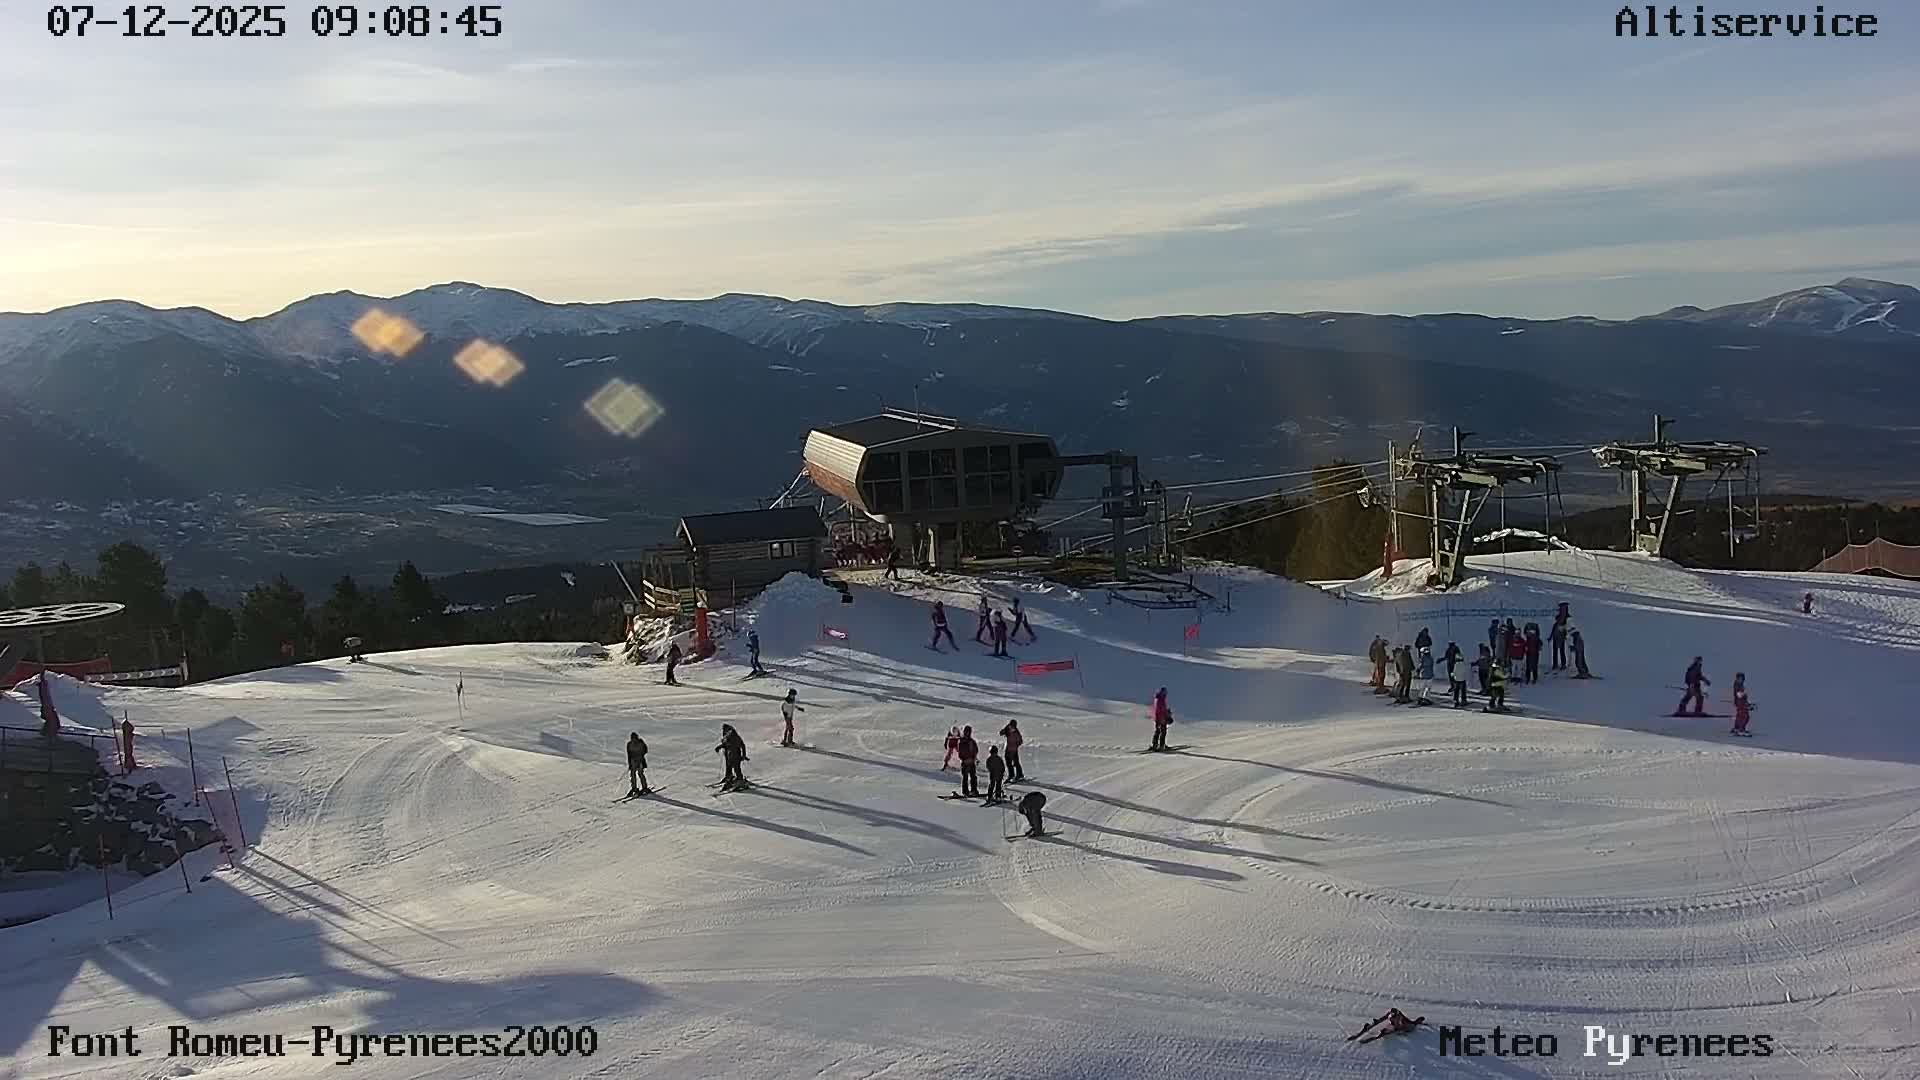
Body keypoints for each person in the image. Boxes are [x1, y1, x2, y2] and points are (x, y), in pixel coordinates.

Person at [715, 723, 748, 789]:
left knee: (736, 768)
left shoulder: (733, 735)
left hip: (735, 754)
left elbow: (742, 745)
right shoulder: (728, 735)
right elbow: (726, 744)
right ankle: (729, 777)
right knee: (729, 766)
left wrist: (743, 755)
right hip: (729, 754)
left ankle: (740, 780)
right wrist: (719, 747)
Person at [956, 725, 980, 796]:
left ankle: (974, 790)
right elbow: (960, 752)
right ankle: (965, 791)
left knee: (973, 777)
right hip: (965, 762)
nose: (968, 733)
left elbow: (976, 750)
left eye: (969, 732)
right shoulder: (961, 741)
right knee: (965, 777)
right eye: (966, 732)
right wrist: (964, 759)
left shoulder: (972, 741)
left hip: (971, 761)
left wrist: (973, 758)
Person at [626, 731, 651, 796]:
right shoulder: (630, 744)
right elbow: (629, 754)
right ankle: (634, 788)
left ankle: (643, 787)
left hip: (639, 761)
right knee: (633, 774)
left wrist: (640, 756)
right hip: (634, 761)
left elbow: (645, 751)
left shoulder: (640, 743)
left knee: (640, 774)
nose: (633, 739)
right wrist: (630, 764)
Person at [1446, 643, 1468, 708]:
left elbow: (1454, 672)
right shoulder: (1462, 664)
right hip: (1462, 679)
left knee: (1457, 690)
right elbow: (1465, 672)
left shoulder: (1456, 665)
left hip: (1457, 679)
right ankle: (1463, 700)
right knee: (1463, 690)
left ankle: (1456, 700)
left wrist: (1452, 676)